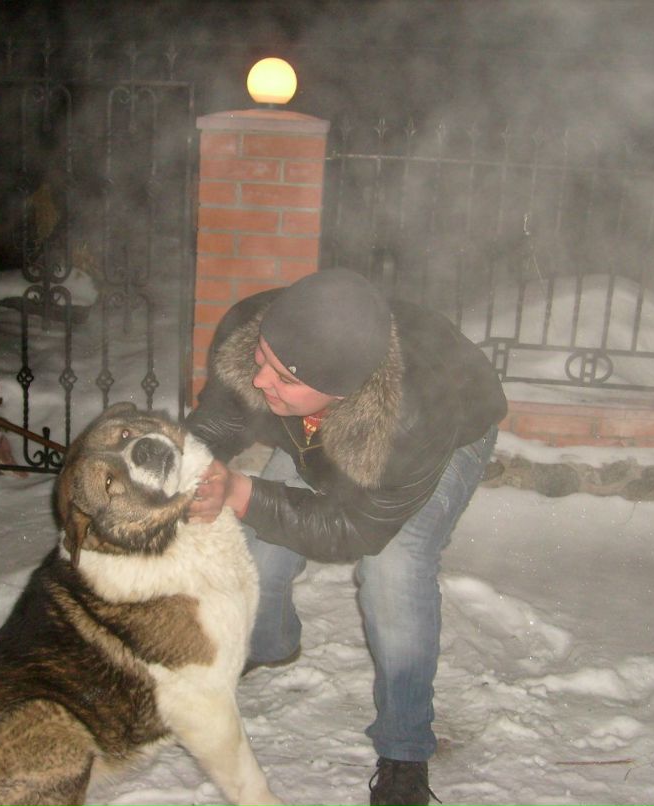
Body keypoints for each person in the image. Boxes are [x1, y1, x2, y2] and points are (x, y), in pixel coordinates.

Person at [185, 268, 507, 806]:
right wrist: (184, 462)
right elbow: (224, 414)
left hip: (449, 433)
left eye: (283, 378)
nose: (263, 381)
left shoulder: (412, 419)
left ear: (342, 391)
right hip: (317, 423)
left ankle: (404, 749)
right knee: (260, 546)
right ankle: (269, 643)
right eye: (262, 360)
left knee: (394, 568)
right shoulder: (255, 336)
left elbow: (353, 529)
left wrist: (240, 491)